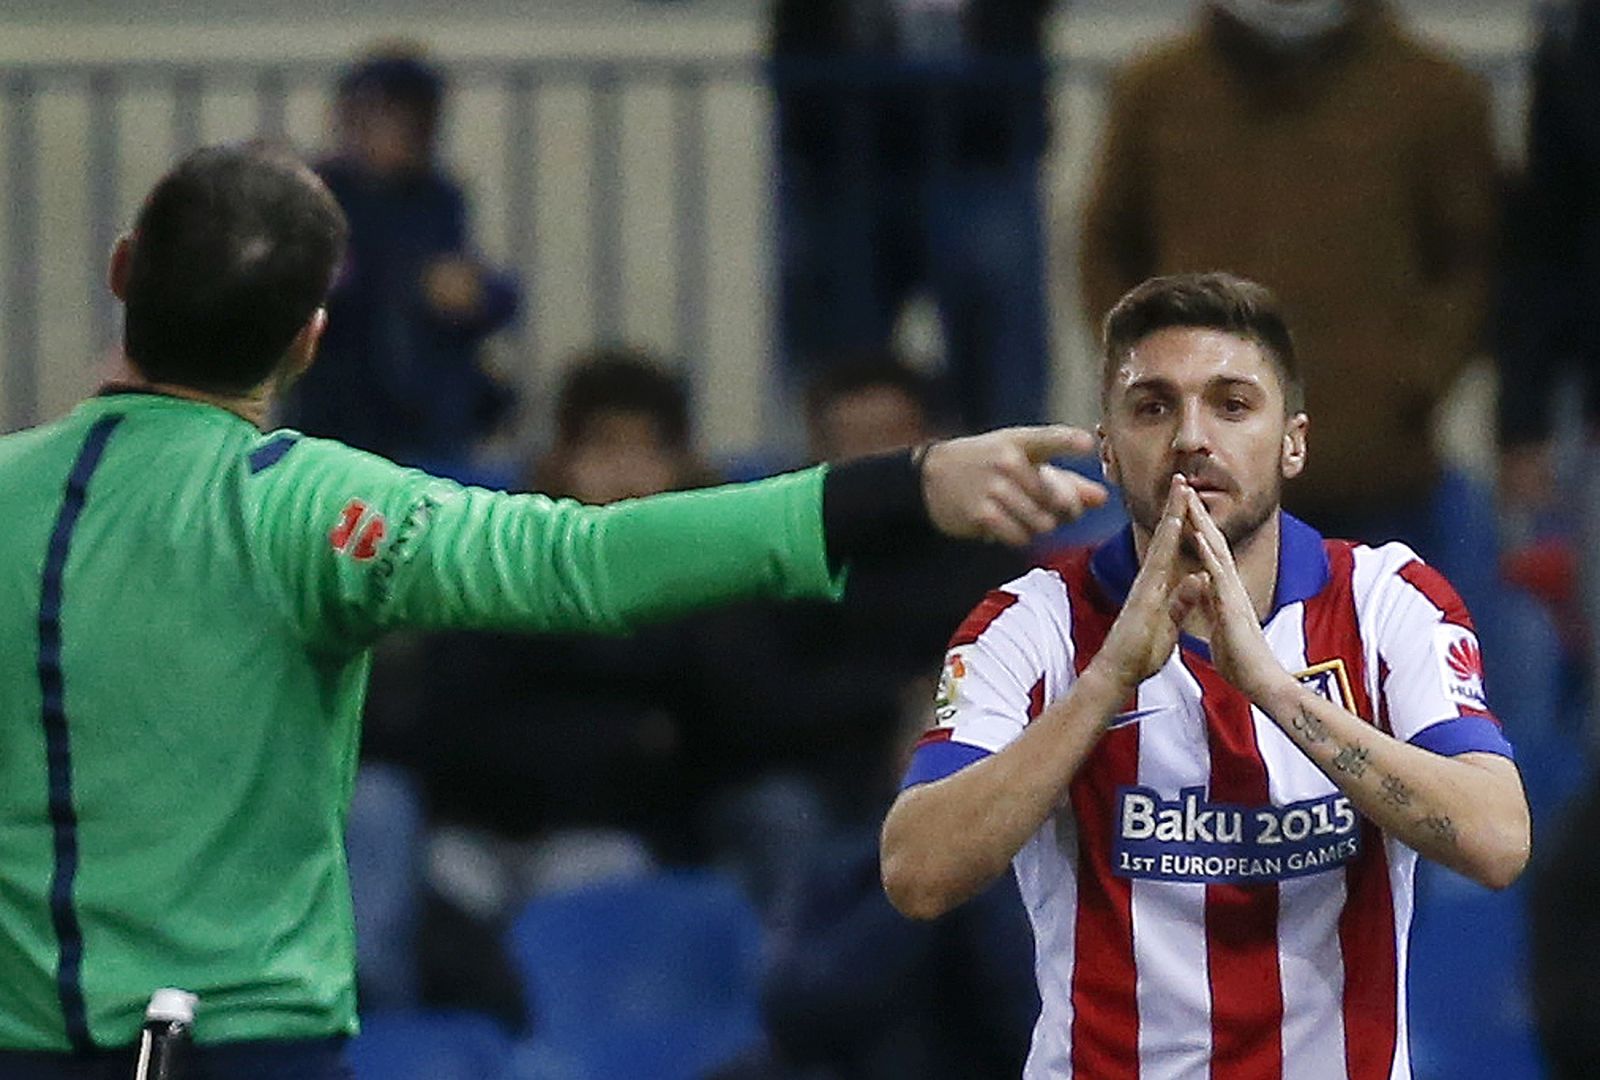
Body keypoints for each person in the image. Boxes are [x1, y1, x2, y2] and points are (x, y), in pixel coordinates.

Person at [0, 143, 1106, 1079]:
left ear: (124, 271)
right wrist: (903, 484)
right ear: (309, 339)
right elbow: (588, 558)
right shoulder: (312, 507)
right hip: (251, 1042)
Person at [881, 272, 1531, 1078]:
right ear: (1109, 449)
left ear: (1292, 442)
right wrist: (1108, 679)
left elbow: (1498, 841)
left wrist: (1275, 689)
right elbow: (916, 874)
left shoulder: (1388, 603)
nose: (1192, 437)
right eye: (1154, 407)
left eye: (1232, 405)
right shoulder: (1029, 623)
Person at [1078, 0, 1497, 563]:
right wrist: (1150, 374)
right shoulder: (1158, 88)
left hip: (1374, 465)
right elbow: (1108, 243)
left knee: (1382, 615)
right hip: (1198, 470)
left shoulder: (1432, 91)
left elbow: (1472, 256)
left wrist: (1411, 377)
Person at [770, 0, 1054, 432]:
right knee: (839, 368)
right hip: (836, 143)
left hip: (982, 138)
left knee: (1001, 371)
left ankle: (1014, 467)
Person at [281, 46, 519, 477]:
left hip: (429, 418)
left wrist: (475, 295)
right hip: (340, 412)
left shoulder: (437, 197)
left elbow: (484, 291)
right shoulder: (320, 193)